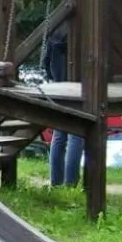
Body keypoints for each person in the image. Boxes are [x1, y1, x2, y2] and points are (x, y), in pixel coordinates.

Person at [43, 26, 83, 186]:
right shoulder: (82, 30)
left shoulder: (56, 30)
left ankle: (56, 181)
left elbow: (47, 61)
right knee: (76, 134)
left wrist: (54, 78)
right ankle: (71, 182)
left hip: (59, 85)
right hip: (78, 86)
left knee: (59, 135)